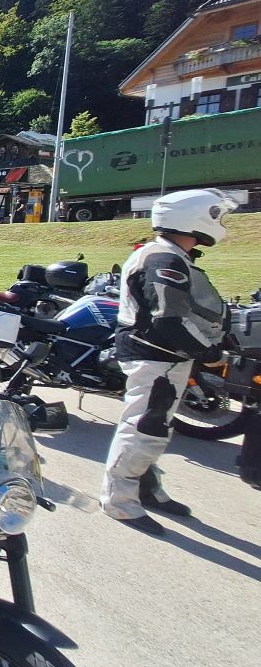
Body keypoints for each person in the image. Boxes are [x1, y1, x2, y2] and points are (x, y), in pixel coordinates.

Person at [100, 189, 236, 535]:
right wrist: (209, 352)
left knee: (155, 426)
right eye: (217, 215)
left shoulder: (170, 255)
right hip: (153, 355)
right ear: (196, 219)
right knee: (143, 427)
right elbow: (168, 320)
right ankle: (119, 501)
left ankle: (144, 487)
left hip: (164, 356)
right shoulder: (164, 259)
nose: (221, 223)